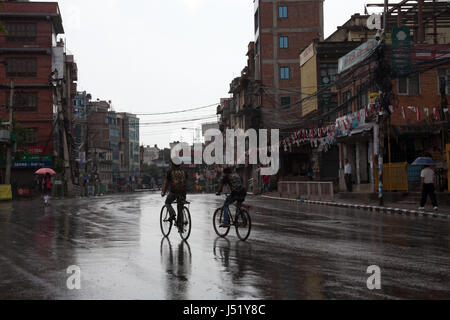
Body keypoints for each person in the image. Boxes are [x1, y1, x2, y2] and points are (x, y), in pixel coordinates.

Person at [161, 161, 188, 231]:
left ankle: (172, 214)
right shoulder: (184, 172)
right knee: (180, 207)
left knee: (167, 202)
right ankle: (180, 225)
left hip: (174, 192)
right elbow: (186, 183)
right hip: (183, 193)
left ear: (172, 164)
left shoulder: (170, 172)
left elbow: (167, 183)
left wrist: (163, 192)